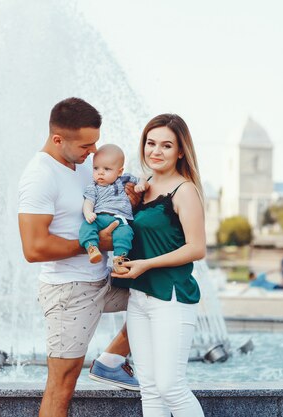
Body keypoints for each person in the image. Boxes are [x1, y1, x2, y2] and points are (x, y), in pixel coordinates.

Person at [17, 98, 139, 417]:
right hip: (69, 291)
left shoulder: (85, 165)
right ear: (58, 140)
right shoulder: (39, 175)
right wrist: (97, 243)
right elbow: (34, 248)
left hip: (102, 280)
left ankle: (111, 360)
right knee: (63, 384)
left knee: (162, 293)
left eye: (95, 141)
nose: (94, 150)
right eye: (86, 144)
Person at [112, 114, 205, 417]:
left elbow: (196, 248)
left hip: (172, 297)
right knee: (150, 390)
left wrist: (146, 265)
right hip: (139, 297)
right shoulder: (144, 185)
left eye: (166, 145)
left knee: (171, 387)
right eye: (151, 143)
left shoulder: (184, 190)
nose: (156, 151)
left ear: (180, 151)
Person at [79, 144, 149, 273]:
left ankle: (119, 260)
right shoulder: (93, 187)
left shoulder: (123, 180)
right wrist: (88, 212)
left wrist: (140, 184)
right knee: (87, 226)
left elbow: (143, 180)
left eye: (106, 169)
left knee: (126, 233)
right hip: (99, 217)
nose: (100, 172)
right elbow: (88, 202)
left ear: (119, 171)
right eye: (96, 168)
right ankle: (91, 248)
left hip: (119, 218)